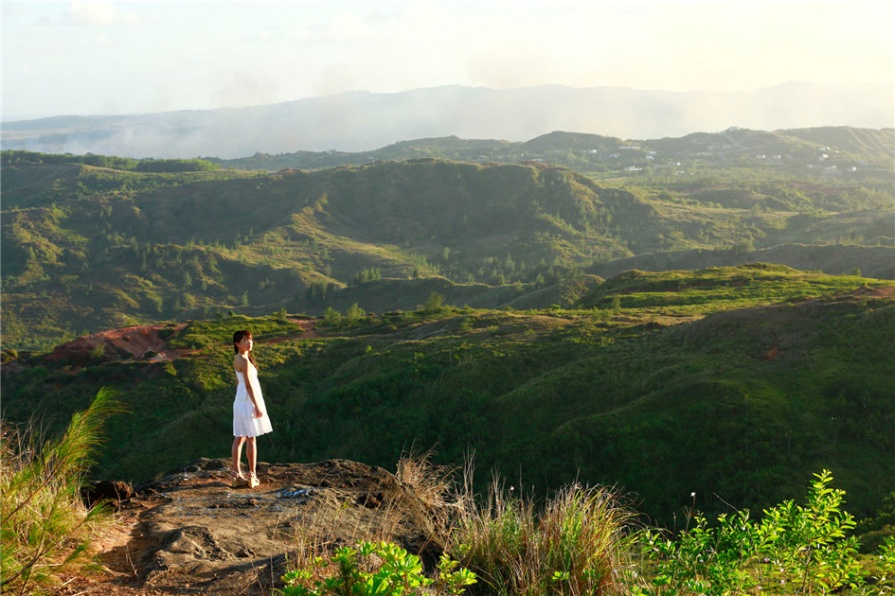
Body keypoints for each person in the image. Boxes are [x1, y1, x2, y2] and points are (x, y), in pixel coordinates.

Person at [231, 330, 273, 488]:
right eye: (245, 340)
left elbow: (238, 382)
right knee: (251, 438)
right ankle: (252, 474)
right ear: (237, 344)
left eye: (250, 340)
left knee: (239, 437)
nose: (249, 343)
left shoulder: (237, 359)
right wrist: (256, 405)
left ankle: (236, 474)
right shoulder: (245, 361)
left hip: (240, 400)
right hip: (248, 400)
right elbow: (248, 385)